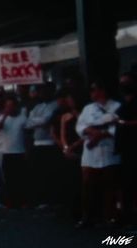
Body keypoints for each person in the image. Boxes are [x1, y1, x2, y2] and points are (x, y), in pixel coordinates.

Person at [75, 83, 121, 228]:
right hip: (90, 153)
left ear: (102, 90)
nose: (92, 93)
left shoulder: (117, 106)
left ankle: (110, 217)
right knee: (88, 186)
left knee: (110, 185)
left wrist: (100, 134)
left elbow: (117, 127)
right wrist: (93, 132)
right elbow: (80, 126)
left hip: (109, 150)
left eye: (94, 90)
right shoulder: (88, 108)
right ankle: (87, 217)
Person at [25, 83, 59, 208]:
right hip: (36, 142)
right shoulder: (37, 106)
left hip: (49, 143)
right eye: (40, 91)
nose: (42, 94)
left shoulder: (55, 105)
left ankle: (51, 200)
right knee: (38, 174)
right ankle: (41, 199)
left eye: (44, 91)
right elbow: (27, 123)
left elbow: (47, 120)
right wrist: (38, 121)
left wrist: (36, 121)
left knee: (49, 173)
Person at [0, 96, 28, 208]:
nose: (9, 108)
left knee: (20, 178)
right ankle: (11, 201)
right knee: (8, 179)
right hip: (6, 152)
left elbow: (27, 130)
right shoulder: (1, 118)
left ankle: (21, 201)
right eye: (7, 106)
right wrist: (5, 115)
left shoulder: (22, 118)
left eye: (11, 106)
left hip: (19, 152)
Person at [116, 72, 137, 225]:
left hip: (134, 144)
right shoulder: (121, 102)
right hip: (125, 147)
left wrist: (124, 123)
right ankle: (129, 216)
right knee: (127, 183)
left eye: (126, 83)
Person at [60, 92, 84, 220]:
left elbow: (83, 134)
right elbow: (62, 133)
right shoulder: (65, 116)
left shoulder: (82, 115)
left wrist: (74, 146)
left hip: (79, 148)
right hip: (68, 148)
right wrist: (65, 147)